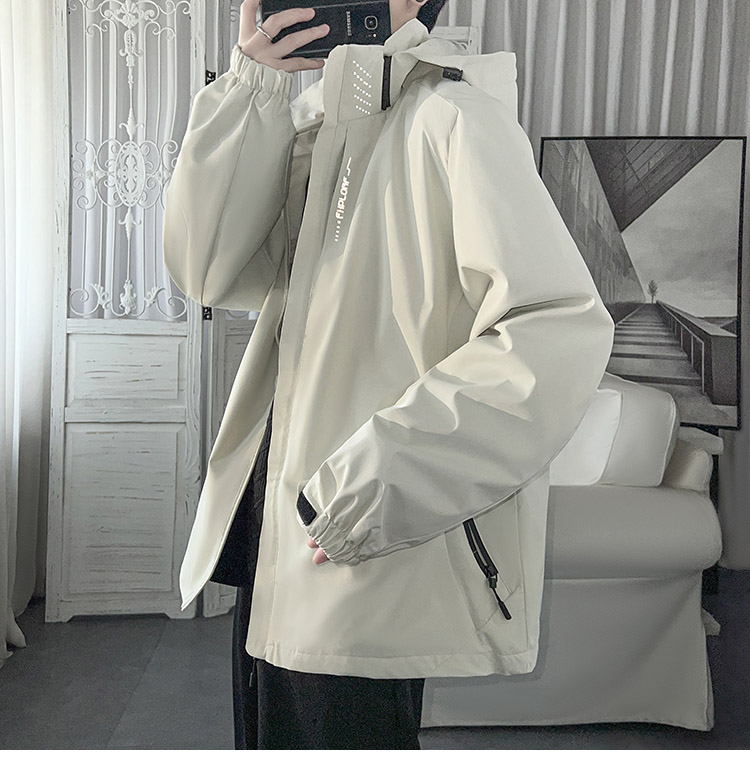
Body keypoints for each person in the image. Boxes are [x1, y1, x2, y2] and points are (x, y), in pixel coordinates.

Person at [163, 0, 615, 751]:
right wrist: (252, 91)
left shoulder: (455, 117)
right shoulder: (315, 130)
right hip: (277, 534)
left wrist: (369, 488)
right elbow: (202, 268)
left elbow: (555, 329)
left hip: (352, 538)